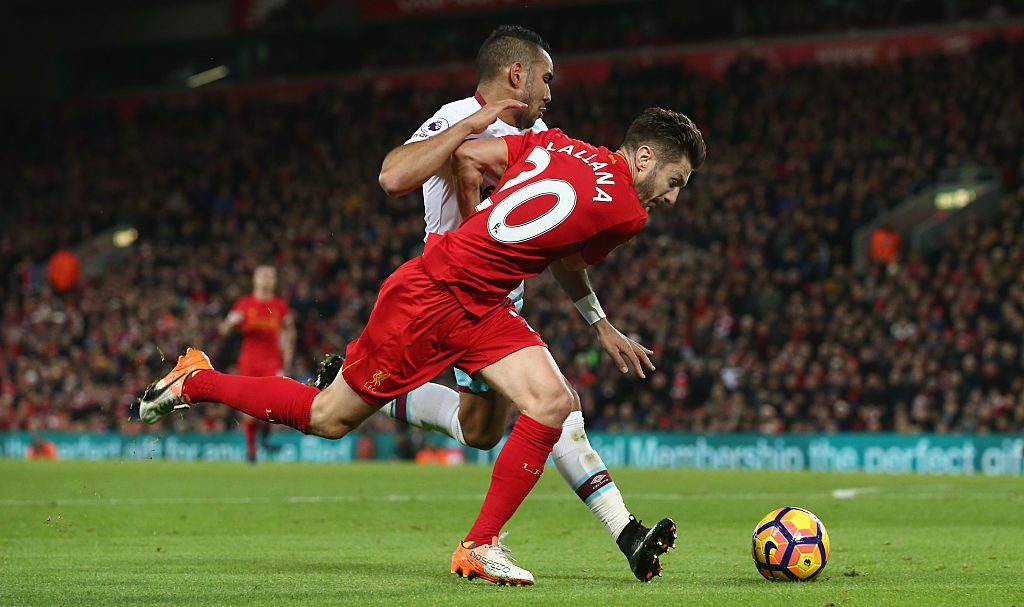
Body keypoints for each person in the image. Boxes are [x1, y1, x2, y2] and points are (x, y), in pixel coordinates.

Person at [137, 107, 706, 586]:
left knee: (551, 405)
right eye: (675, 181)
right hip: (433, 299)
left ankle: (479, 545)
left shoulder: (557, 145)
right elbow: (570, 256)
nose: (674, 199)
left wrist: (480, 235)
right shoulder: (628, 213)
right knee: (327, 418)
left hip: (483, 303)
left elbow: (471, 160)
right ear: (644, 158)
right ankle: (196, 380)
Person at [375, 24, 676, 583]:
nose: (551, 91)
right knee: (557, 408)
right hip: (460, 293)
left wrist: (599, 321)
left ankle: (374, 393)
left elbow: (564, 246)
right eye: (547, 77)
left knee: (483, 428)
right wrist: (472, 242)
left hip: (498, 299)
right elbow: (397, 174)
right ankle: (624, 534)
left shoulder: (541, 133)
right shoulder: (455, 117)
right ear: (518, 74)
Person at [218, 265, 296, 462]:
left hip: (272, 363)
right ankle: (252, 452)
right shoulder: (244, 304)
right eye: (263, 276)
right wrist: (232, 322)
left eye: (270, 276)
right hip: (249, 363)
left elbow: (289, 330)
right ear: (255, 279)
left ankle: (266, 435)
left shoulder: (280, 306)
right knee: (250, 410)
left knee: (273, 403)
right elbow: (223, 330)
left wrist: (288, 354)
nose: (266, 279)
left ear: (275, 281)